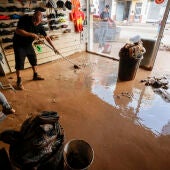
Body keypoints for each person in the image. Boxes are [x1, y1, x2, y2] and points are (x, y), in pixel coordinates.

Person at [13, 10, 59, 90]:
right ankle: (19, 81)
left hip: (28, 45)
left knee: (33, 59)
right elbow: (18, 31)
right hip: (19, 44)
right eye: (35, 22)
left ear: (40, 20)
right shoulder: (25, 19)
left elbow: (47, 37)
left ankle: (35, 75)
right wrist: (32, 34)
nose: (36, 24)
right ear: (33, 18)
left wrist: (54, 48)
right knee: (19, 62)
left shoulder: (40, 26)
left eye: (38, 22)